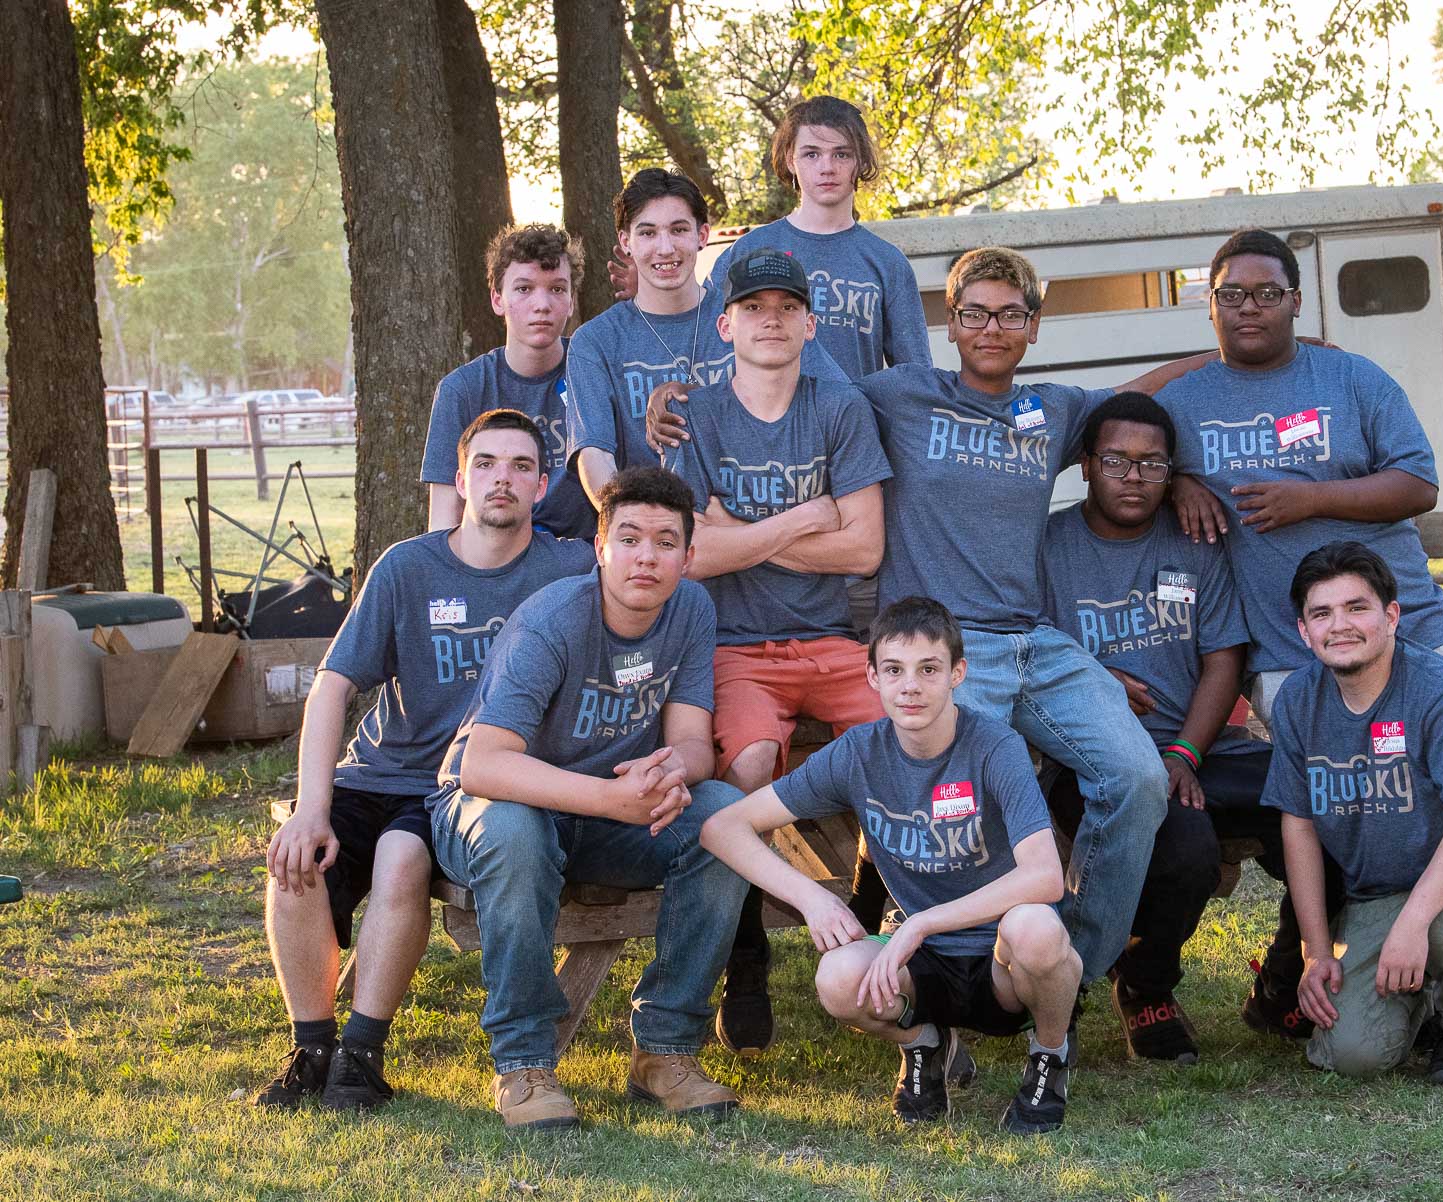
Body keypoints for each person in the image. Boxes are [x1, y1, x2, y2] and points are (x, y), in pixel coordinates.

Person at [653, 247, 1211, 1012]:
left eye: (1010, 314)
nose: (992, 328)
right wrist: (676, 395)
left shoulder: (1053, 412)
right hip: (942, 651)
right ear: (951, 324)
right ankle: (934, 969)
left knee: (1138, 778)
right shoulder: (899, 394)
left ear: (1034, 326)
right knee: (952, 800)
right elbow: (779, 376)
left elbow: (1143, 397)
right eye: (975, 313)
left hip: (1039, 645)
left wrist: (1231, 367)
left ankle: (1065, 968)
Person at [1157, 227, 1443, 1058]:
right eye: (1231, 296)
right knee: (1342, 808)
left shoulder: (1351, 379)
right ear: (1210, 305)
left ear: (1297, 302)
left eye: (1267, 295)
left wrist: (1310, 500)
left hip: (1406, 626)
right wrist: (1180, 477)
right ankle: (1353, 965)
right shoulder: (1188, 400)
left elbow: (1418, 482)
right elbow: (1108, 424)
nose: (1249, 309)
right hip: (1288, 652)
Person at [257, 409, 597, 1111]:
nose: (502, 479)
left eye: (522, 467)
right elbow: (332, 686)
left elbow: (649, 565)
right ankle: (311, 1049)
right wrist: (312, 807)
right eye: (486, 464)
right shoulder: (408, 566)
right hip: (376, 769)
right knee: (296, 856)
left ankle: (362, 1053)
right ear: (460, 478)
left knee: (401, 856)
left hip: (458, 787)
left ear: (542, 486)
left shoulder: (569, 568)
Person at [430, 467, 749, 1130]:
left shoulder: (691, 609)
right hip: (491, 810)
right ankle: (524, 1065)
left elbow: (693, 743)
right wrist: (611, 799)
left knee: (723, 816)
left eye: (665, 542)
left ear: (689, 557)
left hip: (607, 816)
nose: (646, 557)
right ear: (600, 548)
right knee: (516, 832)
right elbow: (484, 766)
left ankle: (665, 1051)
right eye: (628, 539)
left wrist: (670, 773)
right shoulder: (552, 622)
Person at [700, 598, 1082, 1134]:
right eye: (895, 670)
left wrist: (921, 923)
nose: (911, 687)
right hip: (923, 964)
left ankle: (1050, 1056)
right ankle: (924, 1045)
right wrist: (812, 898)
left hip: (1004, 965)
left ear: (957, 674)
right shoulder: (859, 753)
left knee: (1036, 927)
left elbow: (1044, 876)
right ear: (872, 678)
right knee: (838, 978)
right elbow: (723, 828)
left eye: (929, 669)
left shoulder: (995, 746)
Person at [1038, 392, 1338, 1060]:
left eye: (1153, 464)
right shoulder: (1049, 546)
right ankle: (1144, 988)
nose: (1134, 477)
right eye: (1116, 461)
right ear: (1085, 465)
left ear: (1172, 472)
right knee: (1187, 847)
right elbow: (1025, 649)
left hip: (1199, 747)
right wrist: (1089, 676)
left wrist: (1184, 754)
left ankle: (1284, 984)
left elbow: (1223, 660)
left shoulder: (1194, 543)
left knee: (1328, 799)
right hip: (1093, 764)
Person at [667, 248, 892, 1055]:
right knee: (752, 764)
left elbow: (864, 548)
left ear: (810, 324)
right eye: (753, 308)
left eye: (786, 307)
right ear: (725, 324)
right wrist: (803, 518)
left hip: (834, 642)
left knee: (901, 748)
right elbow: (693, 556)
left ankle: (866, 922)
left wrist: (740, 532)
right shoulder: (697, 417)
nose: (771, 319)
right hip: (736, 647)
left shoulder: (839, 409)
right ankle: (746, 957)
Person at [1262, 541, 1443, 1086]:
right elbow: (1300, 825)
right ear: (1304, 631)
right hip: (1377, 896)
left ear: (1390, 616)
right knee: (1352, 1054)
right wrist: (1316, 952)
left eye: (1356, 607)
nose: (1340, 625)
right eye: (1322, 613)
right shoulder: (1296, 700)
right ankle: (1426, 996)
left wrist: (1413, 925)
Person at [564, 168, 845, 499]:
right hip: (660, 520)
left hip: (767, 504)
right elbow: (595, 456)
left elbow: (836, 403)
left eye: (679, 230)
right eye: (648, 233)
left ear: (702, 234)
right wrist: (630, 521)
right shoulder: (596, 341)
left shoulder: (752, 314)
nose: (665, 248)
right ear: (626, 242)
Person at [704, 95, 931, 379]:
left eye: (842, 154)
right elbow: (703, 350)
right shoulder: (748, 251)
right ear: (791, 160)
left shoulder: (887, 262)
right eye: (812, 154)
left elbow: (916, 377)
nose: (827, 167)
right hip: (765, 409)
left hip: (854, 409)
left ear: (861, 162)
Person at [421, 226, 594, 538]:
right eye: (524, 289)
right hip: (495, 553)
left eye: (557, 289)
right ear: (497, 299)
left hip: (583, 556)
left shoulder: (595, 372)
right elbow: (443, 523)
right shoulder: (462, 390)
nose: (542, 304)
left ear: (571, 301)